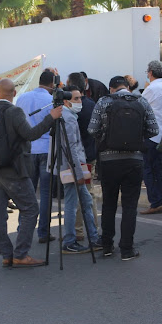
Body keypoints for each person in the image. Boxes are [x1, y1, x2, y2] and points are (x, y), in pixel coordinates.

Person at [0, 78, 63, 268]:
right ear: (14, 93)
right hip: (14, 169)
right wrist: (50, 117)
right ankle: (20, 254)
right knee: (30, 209)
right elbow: (31, 134)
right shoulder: (14, 112)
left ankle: (6, 254)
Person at [88, 76, 159, 261]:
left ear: (111, 88)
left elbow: (92, 129)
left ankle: (106, 245)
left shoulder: (103, 102)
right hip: (134, 160)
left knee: (109, 203)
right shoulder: (141, 101)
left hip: (108, 161)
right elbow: (154, 130)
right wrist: (136, 137)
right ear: (128, 87)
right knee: (129, 206)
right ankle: (127, 249)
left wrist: (107, 137)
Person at [48, 85, 102, 254]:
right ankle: (71, 240)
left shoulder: (66, 116)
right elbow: (71, 148)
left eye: (80, 98)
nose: (80, 102)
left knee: (85, 201)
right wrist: (78, 173)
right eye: (76, 99)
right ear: (66, 102)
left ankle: (92, 237)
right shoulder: (68, 118)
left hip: (69, 166)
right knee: (74, 204)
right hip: (71, 168)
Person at [15, 71, 56, 243]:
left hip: (27, 149)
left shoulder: (22, 98)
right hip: (46, 148)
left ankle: (22, 229)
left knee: (27, 192)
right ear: (52, 84)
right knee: (46, 193)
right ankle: (43, 232)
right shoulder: (51, 100)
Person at [67, 73, 98, 241]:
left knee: (77, 196)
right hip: (89, 155)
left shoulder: (68, 111)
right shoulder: (92, 105)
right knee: (87, 193)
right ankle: (92, 230)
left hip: (76, 158)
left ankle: (78, 231)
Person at [140, 60, 162, 215]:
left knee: (148, 170)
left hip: (150, 134)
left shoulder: (152, 88)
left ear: (151, 72)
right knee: (157, 169)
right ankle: (158, 201)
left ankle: (155, 202)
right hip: (161, 133)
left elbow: (140, 107)